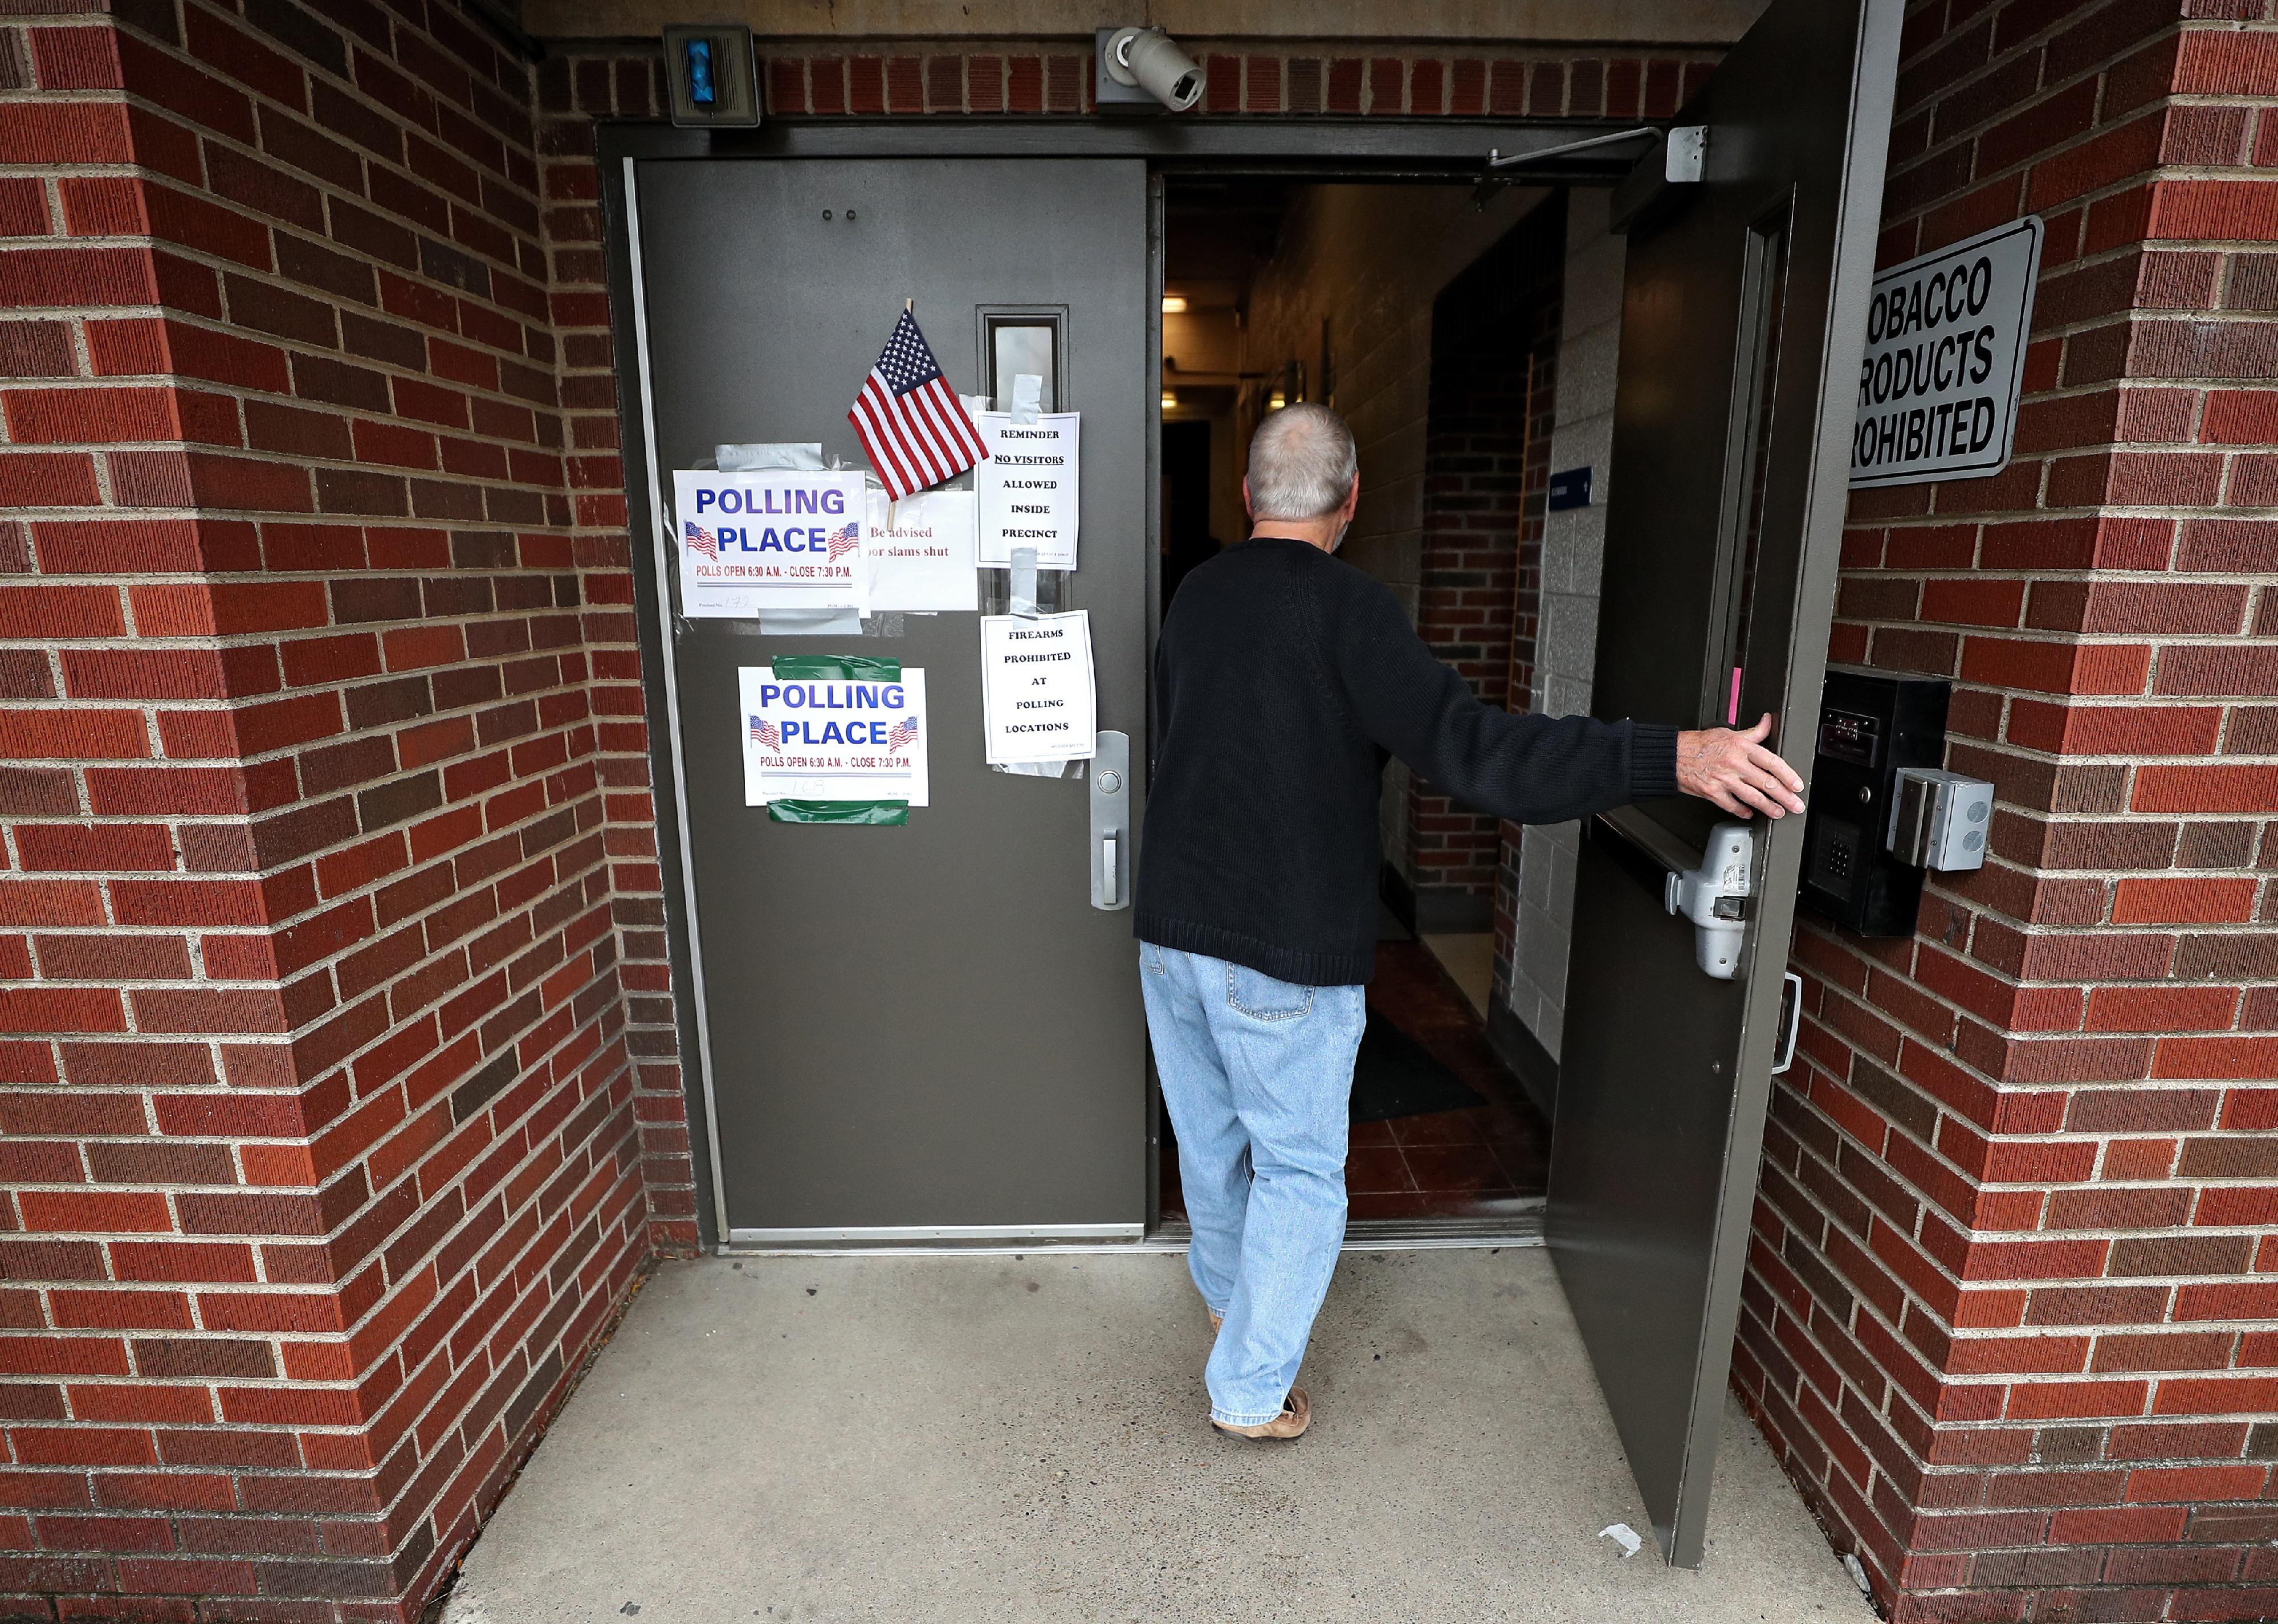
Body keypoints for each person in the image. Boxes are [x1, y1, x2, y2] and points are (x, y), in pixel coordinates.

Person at [1134, 403, 1806, 1441]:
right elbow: (1476, 751)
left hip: (1173, 928)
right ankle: (1248, 1390)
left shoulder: (1194, 595)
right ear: (1351, 501)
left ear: (1247, 496)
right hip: (1281, 949)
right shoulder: (1351, 611)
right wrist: (1668, 756)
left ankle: (1230, 1301)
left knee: (1212, 1139)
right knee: (1300, 1169)